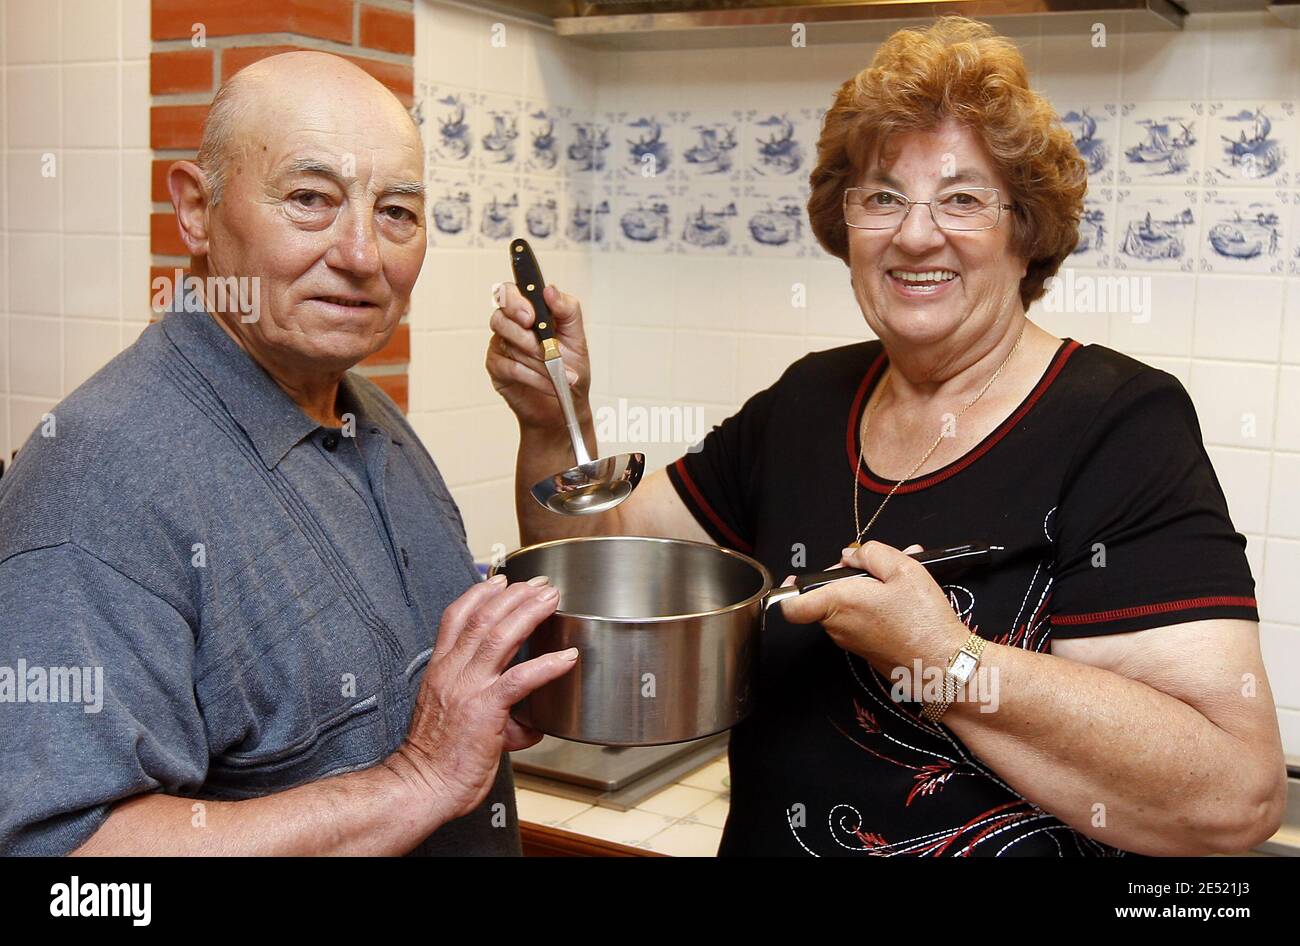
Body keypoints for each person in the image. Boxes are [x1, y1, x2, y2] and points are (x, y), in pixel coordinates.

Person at [487, 17, 1287, 856]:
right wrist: (548, 422)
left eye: (964, 198)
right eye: (882, 197)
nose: (914, 233)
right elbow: (592, 563)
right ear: (847, 227)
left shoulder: (1121, 424)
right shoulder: (808, 399)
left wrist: (943, 656)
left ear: (1027, 234)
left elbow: (1235, 794)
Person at [0, 51, 574, 856]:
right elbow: (69, 871)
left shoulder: (362, 411)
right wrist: (415, 780)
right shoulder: (99, 479)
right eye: (310, 200)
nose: (363, 256)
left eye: (398, 212)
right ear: (196, 210)